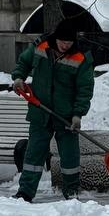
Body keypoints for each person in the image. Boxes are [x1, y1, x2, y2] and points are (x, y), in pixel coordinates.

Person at [11, 17, 95, 202]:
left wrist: (77, 114)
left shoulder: (81, 57)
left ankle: (71, 192)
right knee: (34, 153)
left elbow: (85, 89)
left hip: (65, 115)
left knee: (69, 157)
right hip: (39, 112)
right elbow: (24, 63)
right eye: (62, 41)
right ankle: (25, 192)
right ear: (55, 38)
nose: (66, 45)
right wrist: (18, 77)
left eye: (69, 42)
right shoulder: (40, 46)